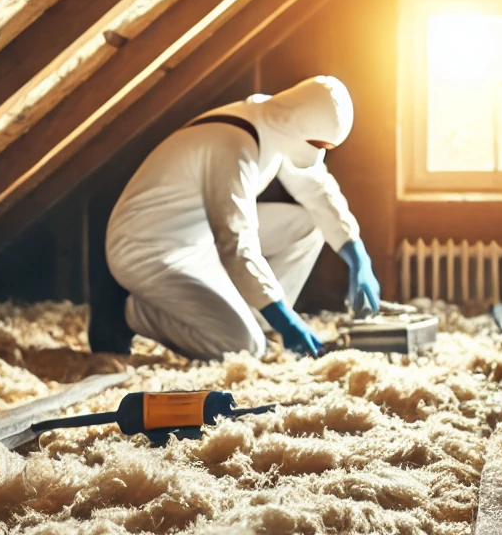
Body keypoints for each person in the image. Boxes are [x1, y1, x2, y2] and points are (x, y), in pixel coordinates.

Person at [103, 75, 381, 360]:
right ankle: (133, 313)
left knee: (307, 226)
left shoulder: (275, 122)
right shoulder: (232, 145)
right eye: (318, 144)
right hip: (149, 249)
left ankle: (259, 319)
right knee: (244, 348)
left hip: (201, 234)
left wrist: (358, 257)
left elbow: (317, 189)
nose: (320, 154)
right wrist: (286, 320)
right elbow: (236, 246)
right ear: (297, 123)